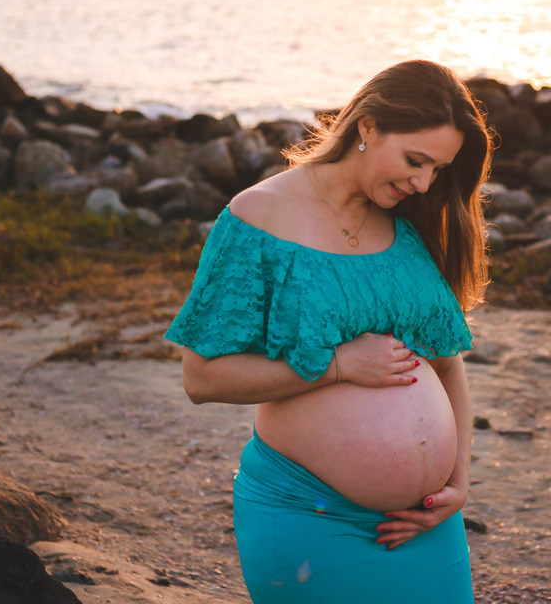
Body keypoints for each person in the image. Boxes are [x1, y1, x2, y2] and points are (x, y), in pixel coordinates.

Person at [163, 59, 493, 603]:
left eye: (437, 169)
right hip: (308, 516)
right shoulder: (259, 217)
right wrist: (338, 366)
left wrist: (456, 482)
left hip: (423, 524)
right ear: (368, 126)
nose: (423, 182)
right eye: (415, 160)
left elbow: (445, 362)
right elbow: (202, 377)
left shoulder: (408, 221)